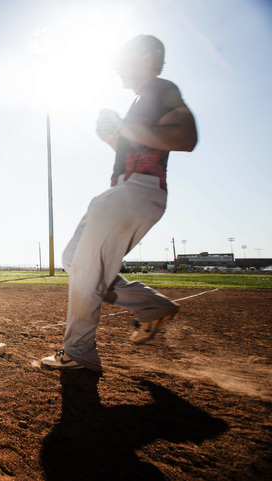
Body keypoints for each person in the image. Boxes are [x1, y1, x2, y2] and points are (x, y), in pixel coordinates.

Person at [41, 35, 198, 372]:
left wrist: (124, 127)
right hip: (123, 190)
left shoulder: (160, 88)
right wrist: (113, 138)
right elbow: (139, 151)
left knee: (86, 268)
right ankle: (151, 305)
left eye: (122, 59)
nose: (116, 68)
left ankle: (79, 351)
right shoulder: (144, 98)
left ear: (144, 57)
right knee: (73, 259)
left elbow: (186, 137)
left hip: (138, 189)